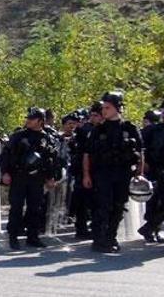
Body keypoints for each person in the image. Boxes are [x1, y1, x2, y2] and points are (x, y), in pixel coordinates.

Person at [82, 92, 144, 253]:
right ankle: (99, 239)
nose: (104, 111)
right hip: (102, 174)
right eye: (103, 108)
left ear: (118, 108)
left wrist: (140, 173)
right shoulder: (98, 130)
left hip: (123, 173)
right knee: (102, 206)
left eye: (107, 107)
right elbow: (87, 154)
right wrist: (87, 175)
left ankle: (111, 238)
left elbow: (140, 151)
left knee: (118, 207)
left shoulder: (129, 128)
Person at [0, 107, 58, 249]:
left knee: (35, 208)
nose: (28, 121)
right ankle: (13, 237)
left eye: (32, 119)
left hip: (37, 179)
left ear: (40, 121)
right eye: (28, 118)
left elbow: (50, 160)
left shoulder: (46, 138)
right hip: (19, 177)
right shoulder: (18, 136)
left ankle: (33, 237)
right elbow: (4, 155)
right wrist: (5, 173)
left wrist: (51, 177)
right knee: (16, 207)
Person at [68, 102, 102, 239]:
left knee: (96, 202)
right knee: (81, 201)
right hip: (82, 170)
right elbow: (80, 151)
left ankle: (96, 227)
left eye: (96, 115)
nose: (93, 118)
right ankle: (81, 228)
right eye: (92, 115)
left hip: (98, 171)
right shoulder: (84, 130)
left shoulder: (104, 129)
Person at [138, 102, 164, 244]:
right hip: (156, 171)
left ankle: (150, 228)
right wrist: (144, 164)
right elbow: (140, 146)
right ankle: (152, 228)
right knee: (155, 203)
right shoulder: (153, 130)